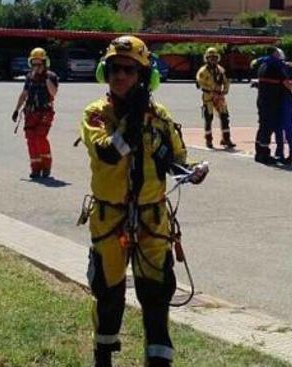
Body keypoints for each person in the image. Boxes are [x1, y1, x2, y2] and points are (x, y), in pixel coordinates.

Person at [80, 35, 208, 367]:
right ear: (104, 72)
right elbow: (110, 153)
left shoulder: (159, 116)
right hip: (110, 218)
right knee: (108, 292)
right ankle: (103, 357)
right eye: (113, 68)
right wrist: (132, 120)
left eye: (128, 70)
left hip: (153, 219)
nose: (119, 75)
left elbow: (176, 159)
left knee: (156, 294)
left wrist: (192, 171)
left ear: (143, 76)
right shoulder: (96, 114)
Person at [12, 47, 58, 178]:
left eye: (39, 63)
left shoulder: (51, 76)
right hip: (31, 112)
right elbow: (24, 94)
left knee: (40, 137)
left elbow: (53, 93)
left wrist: (45, 78)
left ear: (44, 63)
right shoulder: (29, 77)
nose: (36, 66)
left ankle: (46, 166)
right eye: (34, 63)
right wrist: (16, 110)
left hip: (45, 112)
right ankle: (35, 168)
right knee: (31, 139)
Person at [195, 47, 235, 149]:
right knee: (209, 118)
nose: (213, 59)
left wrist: (225, 90)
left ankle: (226, 139)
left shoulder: (221, 70)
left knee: (225, 117)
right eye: (210, 57)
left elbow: (226, 81)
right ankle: (209, 140)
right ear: (206, 58)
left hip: (219, 97)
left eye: (215, 57)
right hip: (208, 97)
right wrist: (210, 91)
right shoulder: (203, 71)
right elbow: (199, 83)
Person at [273, 48, 292, 164]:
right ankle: (282, 152)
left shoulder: (281, 67)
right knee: (281, 126)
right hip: (280, 99)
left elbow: (286, 82)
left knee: (285, 126)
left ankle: (290, 153)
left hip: (283, 99)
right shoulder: (282, 66)